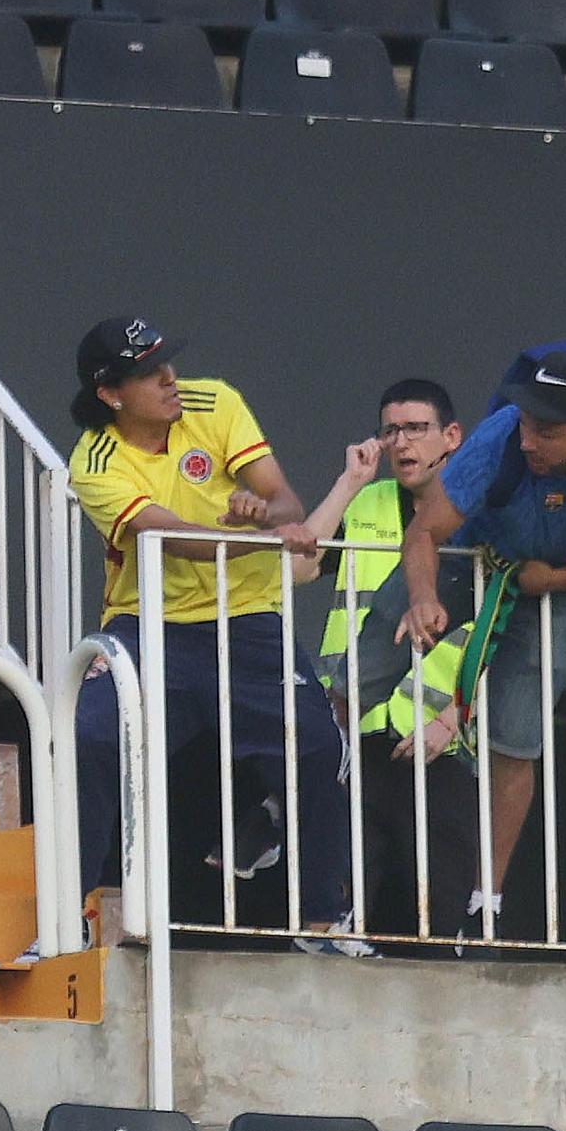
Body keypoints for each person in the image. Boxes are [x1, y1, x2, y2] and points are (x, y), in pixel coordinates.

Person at [350, 349, 566, 942]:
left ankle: (484, 906)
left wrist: (560, 578)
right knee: (357, 679)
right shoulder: (502, 436)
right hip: (463, 558)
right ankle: (305, 835)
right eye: (526, 422)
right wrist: (423, 597)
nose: (529, 440)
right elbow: (425, 529)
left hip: (546, 581)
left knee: (516, 740)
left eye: (547, 432)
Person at [65, 314, 371, 957]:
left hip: (250, 618)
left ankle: (325, 921)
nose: (169, 377)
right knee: (90, 737)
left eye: (166, 361)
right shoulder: (93, 460)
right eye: (148, 371)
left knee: (317, 744)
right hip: (151, 627)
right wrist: (249, 531)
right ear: (110, 395)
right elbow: (171, 539)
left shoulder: (215, 400)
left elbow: (284, 501)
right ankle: (72, 916)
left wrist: (264, 514)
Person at [303, 379, 484, 949]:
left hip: (437, 734)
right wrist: (350, 481)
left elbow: (504, 625)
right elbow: (300, 569)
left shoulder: (482, 512)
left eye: (417, 429)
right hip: (354, 729)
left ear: (451, 437)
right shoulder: (369, 501)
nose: (402, 442)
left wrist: (451, 717)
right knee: (352, 899)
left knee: (433, 901)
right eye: (391, 430)